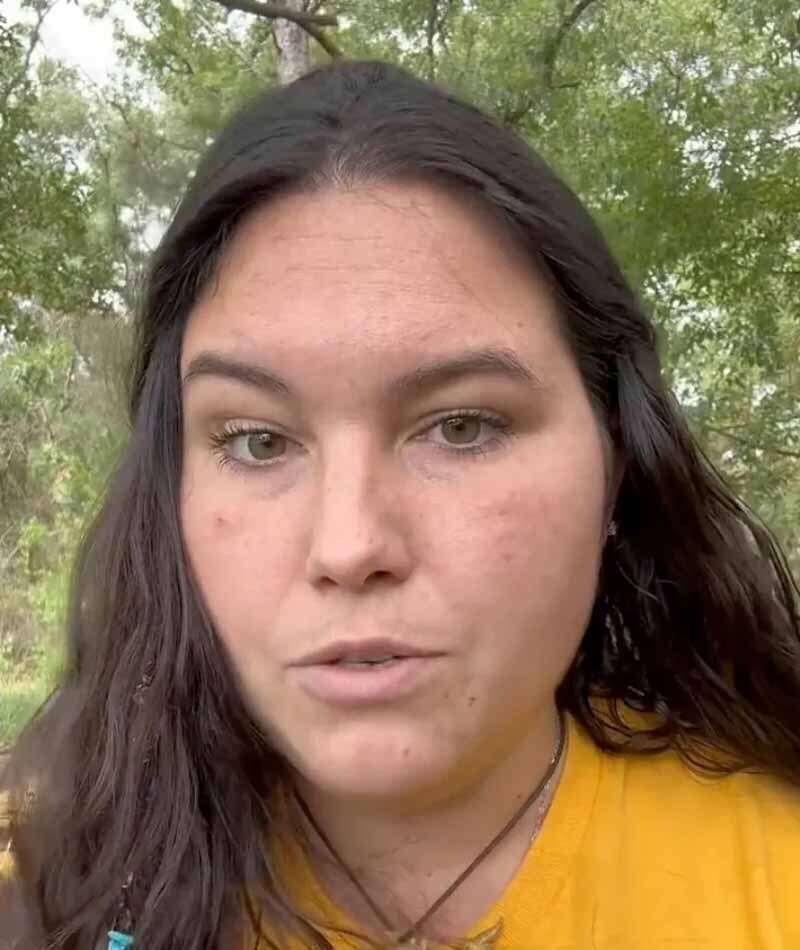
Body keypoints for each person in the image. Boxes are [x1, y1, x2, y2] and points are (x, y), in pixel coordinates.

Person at [1, 58, 799, 950]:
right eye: (258, 441)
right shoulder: (52, 890)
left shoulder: (775, 868)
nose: (349, 547)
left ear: (616, 466)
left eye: (461, 427)